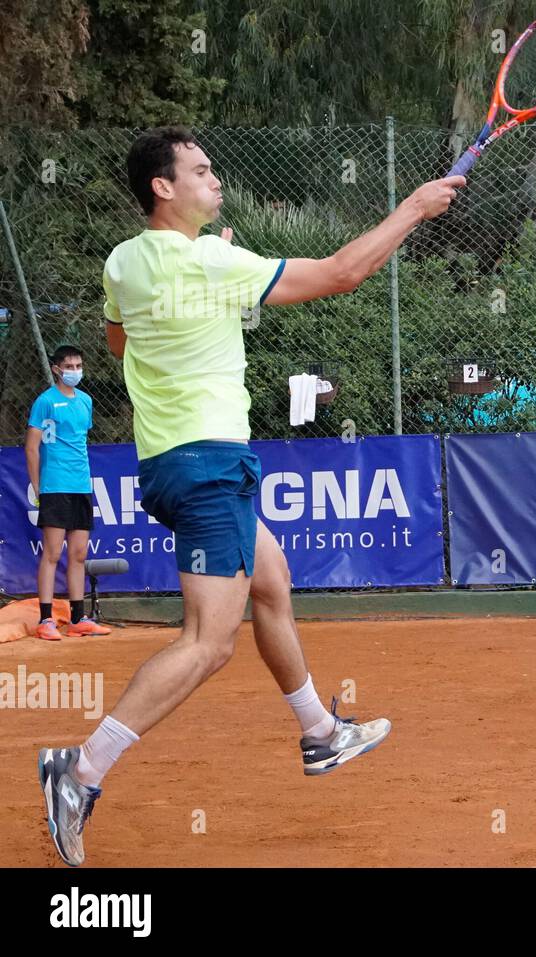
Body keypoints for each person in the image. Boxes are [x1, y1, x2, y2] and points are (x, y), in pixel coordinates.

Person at [37, 125, 465, 866]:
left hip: (173, 460)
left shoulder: (123, 261)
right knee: (209, 642)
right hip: (207, 462)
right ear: (162, 187)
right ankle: (79, 772)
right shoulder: (211, 259)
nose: (215, 180)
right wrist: (414, 209)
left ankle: (320, 732)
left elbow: (118, 343)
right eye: (200, 171)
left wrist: (208, 300)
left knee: (271, 582)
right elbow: (341, 272)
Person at [24, 344, 113, 641]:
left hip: (81, 486)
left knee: (78, 553)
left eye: (79, 366)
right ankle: (46, 619)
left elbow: (79, 441)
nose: (75, 371)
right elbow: (31, 447)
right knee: (51, 554)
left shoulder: (86, 401)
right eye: (70, 366)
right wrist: (38, 487)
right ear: (56, 369)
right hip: (54, 485)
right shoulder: (45, 402)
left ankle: (78, 618)